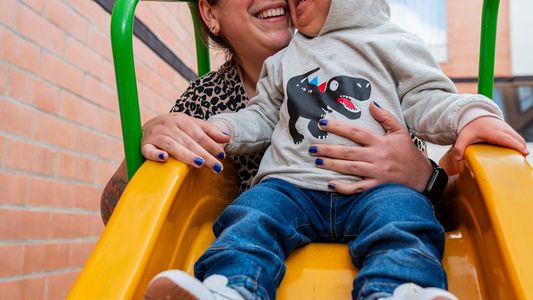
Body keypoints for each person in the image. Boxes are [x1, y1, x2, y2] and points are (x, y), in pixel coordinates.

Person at [143, 0, 529, 300]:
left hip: (375, 189)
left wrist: (471, 115)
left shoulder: (394, 45)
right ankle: (230, 285)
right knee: (250, 216)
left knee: (403, 217)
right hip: (291, 188)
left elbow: (429, 98)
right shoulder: (284, 62)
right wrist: (220, 127)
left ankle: (399, 286)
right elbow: (260, 114)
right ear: (210, 14)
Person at [100, 0, 448, 224]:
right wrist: (149, 143)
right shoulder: (205, 99)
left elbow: (434, 213)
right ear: (210, 13)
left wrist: (426, 177)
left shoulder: (363, 68)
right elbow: (116, 214)